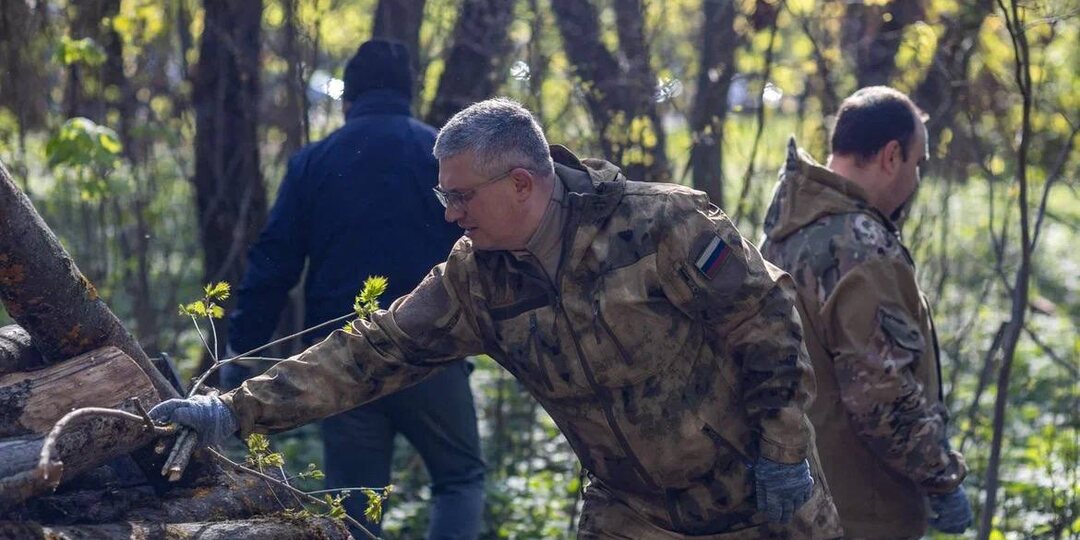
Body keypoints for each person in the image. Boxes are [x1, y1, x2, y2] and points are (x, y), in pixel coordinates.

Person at [154, 98, 842, 538]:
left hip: (761, 496)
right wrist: (233, 410)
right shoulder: (476, 278)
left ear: (521, 183)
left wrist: (783, 456)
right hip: (633, 512)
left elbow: (767, 324)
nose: (449, 213)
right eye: (443, 194)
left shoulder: (662, 224)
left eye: (460, 196)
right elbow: (373, 350)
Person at [220, 40, 485, 539]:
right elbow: (480, 244)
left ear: (349, 98)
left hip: (342, 359)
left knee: (352, 505)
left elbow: (274, 262)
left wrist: (241, 349)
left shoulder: (313, 163)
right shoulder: (442, 160)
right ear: (410, 91)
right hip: (433, 349)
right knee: (460, 478)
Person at [759, 86, 973, 538]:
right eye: (917, 163)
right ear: (891, 157)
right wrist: (942, 478)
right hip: (862, 513)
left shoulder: (789, 229)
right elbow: (883, 398)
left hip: (802, 509)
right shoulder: (861, 250)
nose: (915, 179)